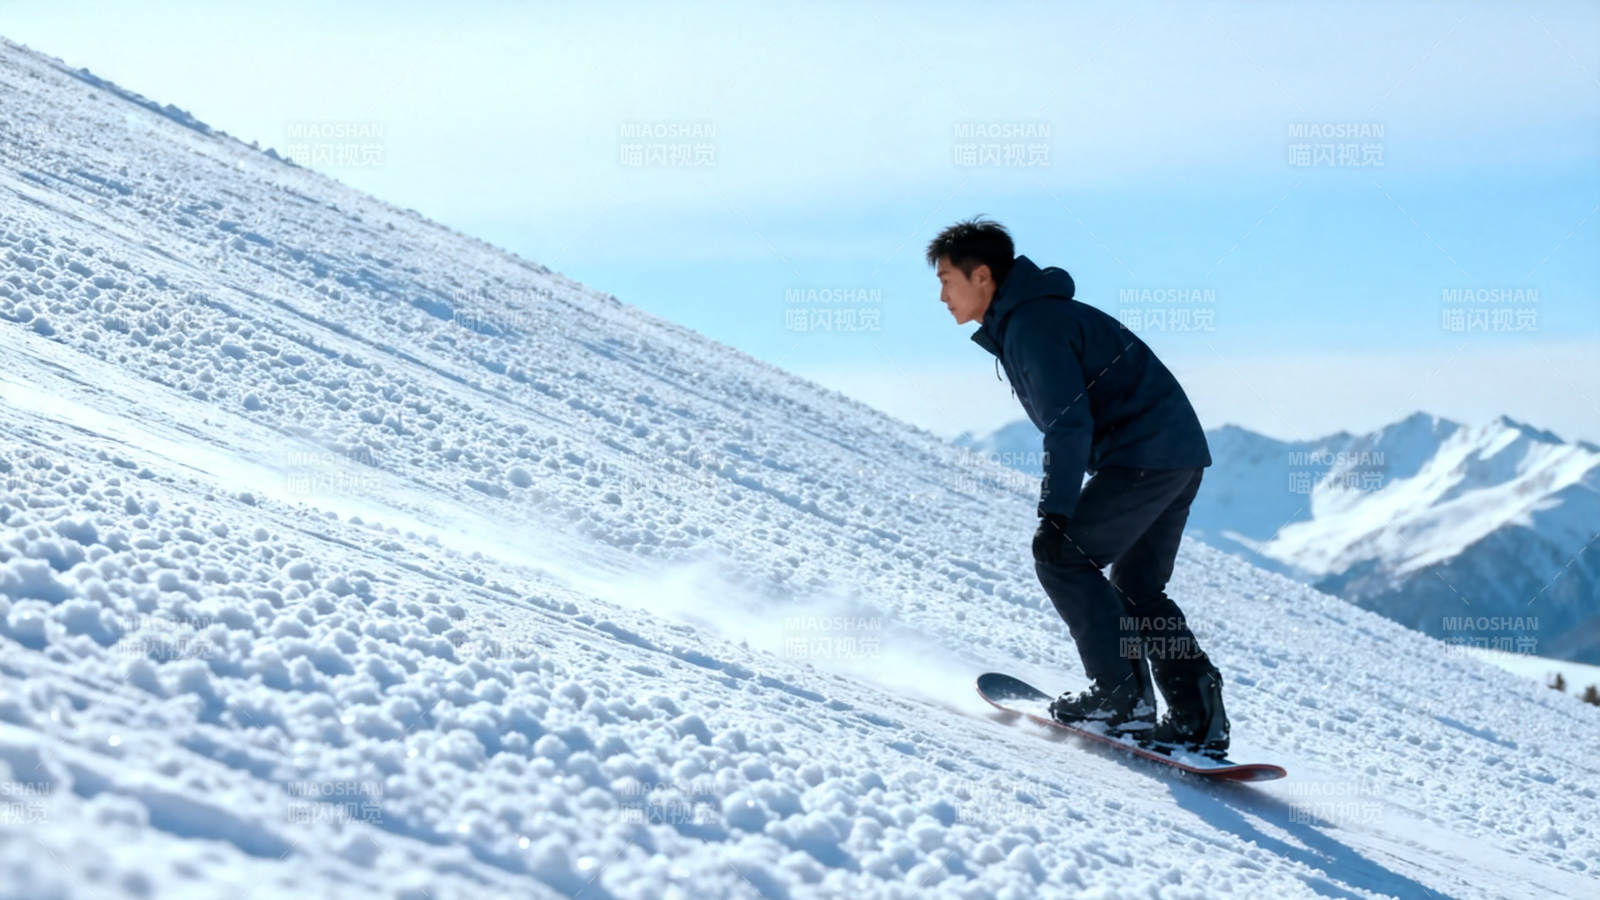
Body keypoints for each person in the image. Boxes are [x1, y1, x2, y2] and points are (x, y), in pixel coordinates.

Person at [927, 216, 1230, 757]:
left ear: (982, 276)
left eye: (947, 280)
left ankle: (1119, 700)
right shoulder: (1036, 317)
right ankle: (1197, 717)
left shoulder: (1032, 326)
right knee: (1137, 587)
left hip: (1143, 457)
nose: (943, 295)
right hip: (1176, 455)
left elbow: (1068, 423)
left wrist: (1056, 512)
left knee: (1062, 558)